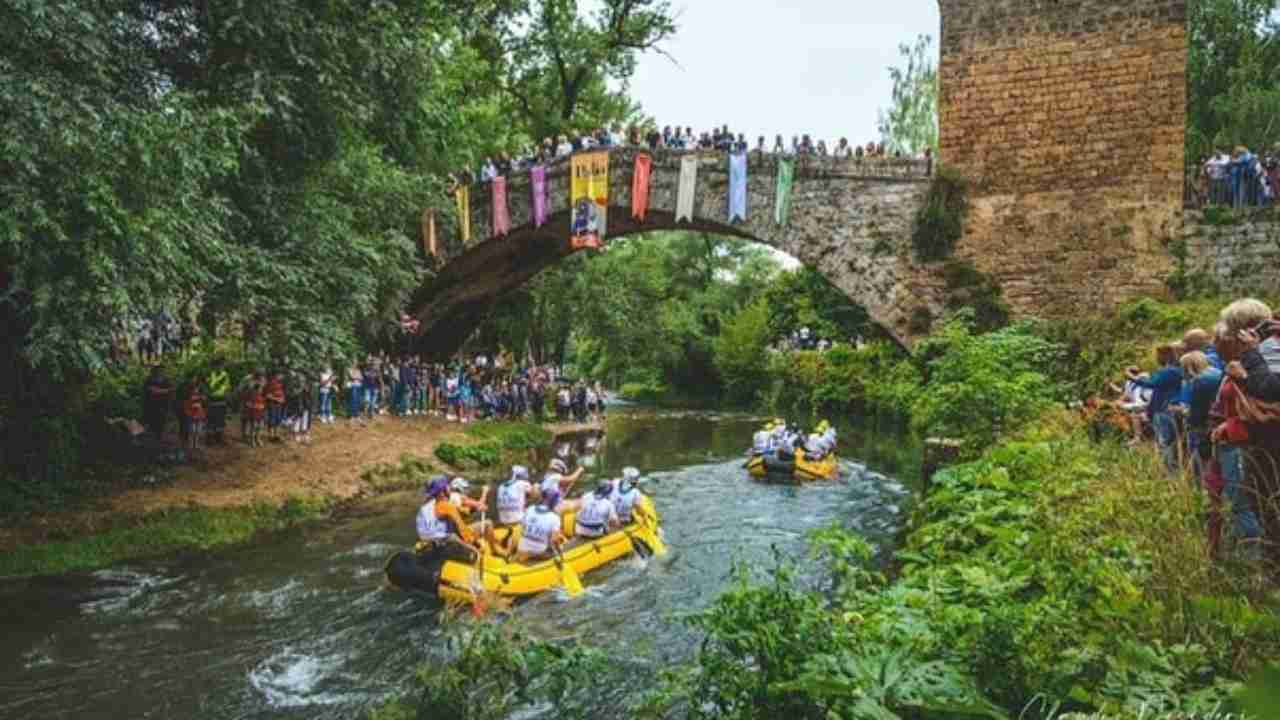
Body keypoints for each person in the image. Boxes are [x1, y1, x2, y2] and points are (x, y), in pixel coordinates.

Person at [1126, 344, 1186, 475]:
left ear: (1165, 356)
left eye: (1158, 355)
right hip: (1167, 408)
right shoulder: (1177, 370)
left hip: (1164, 410)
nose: (1156, 358)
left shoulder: (1169, 371)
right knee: (1171, 443)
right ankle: (1172, 472)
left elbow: (1151, 383)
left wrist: (1130, 376)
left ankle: (1169, 473)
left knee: (1164, 443)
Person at [416, 477, 478, 552]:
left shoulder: (425, 508)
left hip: (427, 540)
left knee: (452, 534)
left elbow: (423, 533)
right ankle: (473, 553)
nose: (450, 489)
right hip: (439, 543)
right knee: (453, 536)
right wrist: (473, 543)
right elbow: (461, 527)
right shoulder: (446, 505)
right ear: (442, 492)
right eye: (447, 487)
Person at [516, 490, 567, 562]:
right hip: (538, 553)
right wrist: (561, 553)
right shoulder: (555, 518)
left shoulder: (530, 509)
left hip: (521, 548)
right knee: (558, 547)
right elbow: (554, 541)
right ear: (554, 503)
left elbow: (523, 528)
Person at [141, 365, 174, 444]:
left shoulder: (166, 380)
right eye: (158, 371)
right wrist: (165, 391)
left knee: (160, 424)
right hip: (151, 407)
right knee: (152, 424)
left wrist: (161, 391)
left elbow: (171, 390)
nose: (160, 372)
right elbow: (152, 391)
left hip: (162, 407)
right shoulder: (149, 380)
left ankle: (158, 440)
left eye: (161, 371)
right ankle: (152, 441)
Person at [206, 359, 231, 444]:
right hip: (211, 399)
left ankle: (219, 437)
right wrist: (207, 395)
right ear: (214, 366)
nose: (220, 367)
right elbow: (206, 386)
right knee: (211, 419)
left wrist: (227, 397)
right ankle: (209, 438)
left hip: (222, 400)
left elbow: (227, 387)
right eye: (218, 366)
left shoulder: (225, 375)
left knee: (220, 419)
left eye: (222, 366)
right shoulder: (210, 374)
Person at [182, 378, 207, 452]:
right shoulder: (187, 394)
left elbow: (204, 403)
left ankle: (196, 445)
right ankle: (190, 445)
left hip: (199, 414)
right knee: (192, 430)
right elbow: (186, 404)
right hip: (191, 414)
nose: (196, 388)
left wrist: (201, 399)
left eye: (197, 386)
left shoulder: (202, 394)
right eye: (195, 386)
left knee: (198, 431)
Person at [264, 372, 286, 441]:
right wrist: (277, 399)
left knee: (278, 420)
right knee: (272, 420)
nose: (282, 377)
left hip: (279, 405)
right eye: (281, 375)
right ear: (277, 375)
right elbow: (267, 395)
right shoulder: (271, 383)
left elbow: (282, 393)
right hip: (272, 404)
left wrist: (283, 399)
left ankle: (276, 435)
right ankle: (270, 435)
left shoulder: (280, 383)